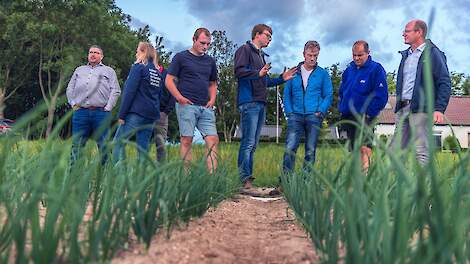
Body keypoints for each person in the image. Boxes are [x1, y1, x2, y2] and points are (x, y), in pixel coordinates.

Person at [234, 24, 297, 189]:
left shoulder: (261, 56)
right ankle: (243, 181)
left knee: (253, 144)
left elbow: (265, 81)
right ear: (257, 34)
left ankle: (247, 180)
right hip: (249, 102)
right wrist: (257, 73)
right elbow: (238, 71)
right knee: (248, 143)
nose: (270, 39)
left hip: (260, 102)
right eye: (268, 35)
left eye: (271, 36)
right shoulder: (244, 50)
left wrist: (282, 78)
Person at [392, 19, 451, 165]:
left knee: (421, 150)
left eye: (407, 31)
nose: (403, 34)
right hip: (403, 108)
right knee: (395, 151)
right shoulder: (406, 55)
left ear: (419, 32)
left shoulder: (433, 53)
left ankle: (423, 186)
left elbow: (444, 81)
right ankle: (398, 185)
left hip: (421, 109)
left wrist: (439, 109)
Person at [165, 28, 219, 172]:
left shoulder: (210, 61)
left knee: (213, 140)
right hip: (187, 105)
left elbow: (213, 83)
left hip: (206, 107)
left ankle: (212, 179)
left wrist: (212, 99)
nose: (205, 47)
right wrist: (179, 97)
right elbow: (169, 80)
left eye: (208, 44)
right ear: (194, 39)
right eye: (202, 43)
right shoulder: (180, 57)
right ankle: (187, 178)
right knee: (186, 140)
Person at [282, 40, 333, 174]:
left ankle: (306, 182)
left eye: (315, 55)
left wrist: (320, 111)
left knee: (310, 150)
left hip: (314, 116)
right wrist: (289, 112)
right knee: (290, 147)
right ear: (303, 54)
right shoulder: (293, 72)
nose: (312, 58)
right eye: (310, 55)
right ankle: (286, 181)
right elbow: (287, 94)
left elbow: (328, 95)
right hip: (295, 116)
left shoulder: (323, 74)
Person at [338, 40, 388, 171]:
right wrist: (342, 107)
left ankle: (365, 178)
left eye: (360, 55)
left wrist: (369, 113)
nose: (356, 58)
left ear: (368, 53)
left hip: (365, 116)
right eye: (354, 55)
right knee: (353, 149)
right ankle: (355, 179)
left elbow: (381, 95)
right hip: (348, 115)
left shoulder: (376, 69)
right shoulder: (348, 70)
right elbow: (342, 91)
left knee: (364, 148)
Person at [66, 45, 121, 164]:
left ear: (101, 56)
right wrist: (73, 104)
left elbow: (115, 90)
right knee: (77, 145)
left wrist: (108, 107)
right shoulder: (79, 70)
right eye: (91, 52)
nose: (93, 54)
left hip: (101, 113)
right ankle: (73, 174)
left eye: (96, 52)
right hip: (81, 113)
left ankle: (105, 173)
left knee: (104, 145)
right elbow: (70, 88)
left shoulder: (109, 71)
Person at [113, 41, 163, 161]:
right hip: (151, 115)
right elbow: (159, 96)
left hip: (136, 113)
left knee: (118, 143)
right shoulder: (158, 73)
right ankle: (141, 178)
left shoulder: (138, 68)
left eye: (137, 51)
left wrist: (122, 115)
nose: (136, 54)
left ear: (143, 52)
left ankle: (120, 176)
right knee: (143, 148)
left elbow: (129, 92)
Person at [154, 64, 175, 162]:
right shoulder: (145, 72)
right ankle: (141, 170)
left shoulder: (167, 75)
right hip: (145, 112)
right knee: (142, 141)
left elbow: (173, 94)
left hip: (161, 113)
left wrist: (166, 111)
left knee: (160, 143)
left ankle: (160, 169)